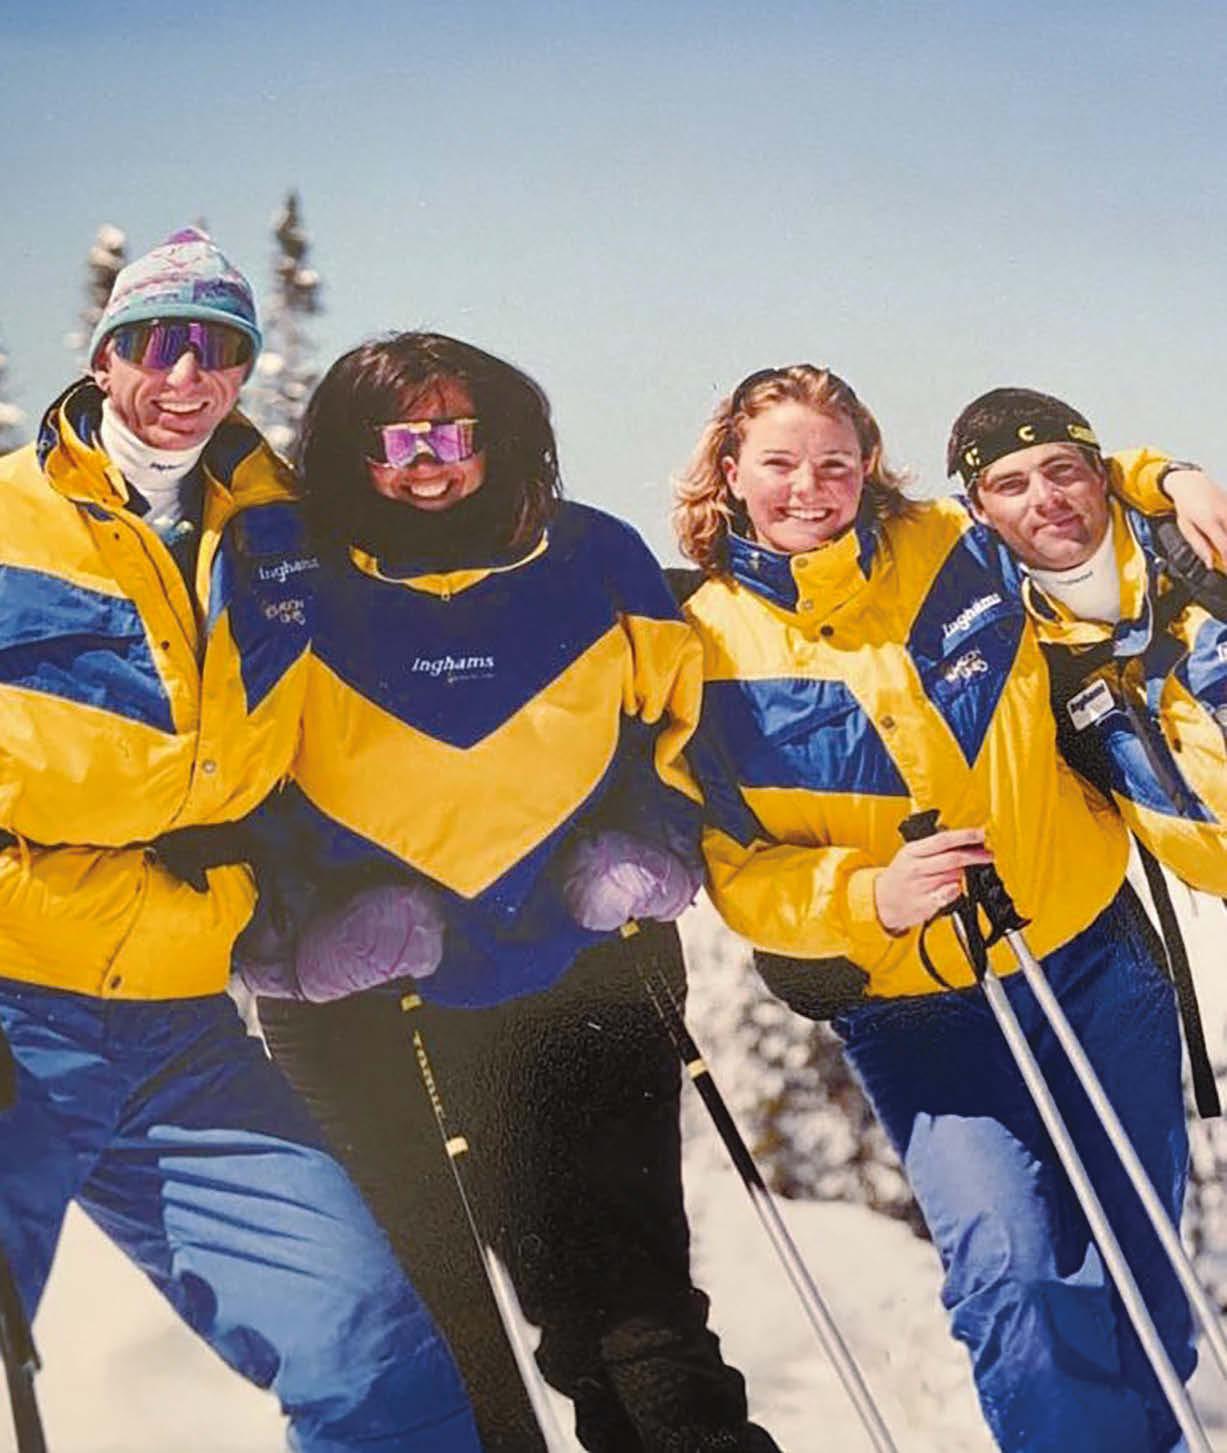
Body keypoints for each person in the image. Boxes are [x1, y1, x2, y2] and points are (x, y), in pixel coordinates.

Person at [239, 331, 782, 1453]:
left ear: (498, 438)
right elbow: (221, 772)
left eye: (451, 435)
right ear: (345, 451)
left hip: (579, 966)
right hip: (364, 1007)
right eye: (393, 440)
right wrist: (301, 931)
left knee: (628, 1308)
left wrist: (643, 847)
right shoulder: (286, 579)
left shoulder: (591, 557)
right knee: (433, 1336)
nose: (424, 465)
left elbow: (678, 730)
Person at [671, 363, 1222, 1453]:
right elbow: (737, 869)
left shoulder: (953, 547)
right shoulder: (702, 639)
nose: (809, 487)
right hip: (916, 1006)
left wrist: (1169, 477)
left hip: (1089, 952)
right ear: (729, 471)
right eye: (778, 463)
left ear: (868, 463)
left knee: (1142, 1265)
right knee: (1011, 1272)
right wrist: (865, 894)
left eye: (835, 461)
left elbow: (1056, 496)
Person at [0, 231, 481, 1451]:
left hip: (181, 1028)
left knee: (372, 1349)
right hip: (15, 1010)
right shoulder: (7, 519)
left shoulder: (279, 538)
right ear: (105, 358)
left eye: (218, 348)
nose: (187, 374)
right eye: (158, 342)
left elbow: (366, 712)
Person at [947, 386, 1227, 898]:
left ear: (1101, 474)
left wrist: (1171, 474)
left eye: (1062, 471)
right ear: (980, 510)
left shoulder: (1205, 548)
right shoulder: (1025, 650)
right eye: (1011, 485)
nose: (1046, 498)